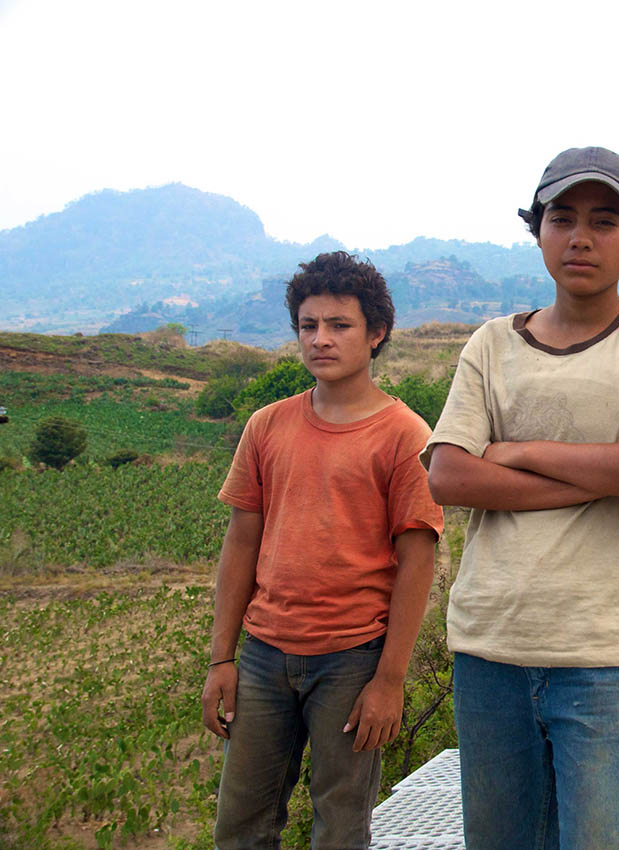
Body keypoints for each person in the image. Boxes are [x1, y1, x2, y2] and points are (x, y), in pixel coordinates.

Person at [424, 146, 619, 850]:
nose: (580, 237)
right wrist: (605, 469)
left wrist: (515, 451)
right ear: (538, 229)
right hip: (490, 648)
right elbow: (450, 477)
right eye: (563, 218)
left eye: (604, 220)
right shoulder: (491, 344)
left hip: (605, 653)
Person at [200, 251, 444, 849]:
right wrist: (220, 658)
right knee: (241, 827)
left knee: (340, 828)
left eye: (339, 325)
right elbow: (241, 542)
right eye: (309, 326)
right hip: (262, 655)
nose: (321, 340)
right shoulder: (266, 426)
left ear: (376, 333)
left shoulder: (404, 435)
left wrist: (389, 679)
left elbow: (418, 561)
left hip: (352, 659)